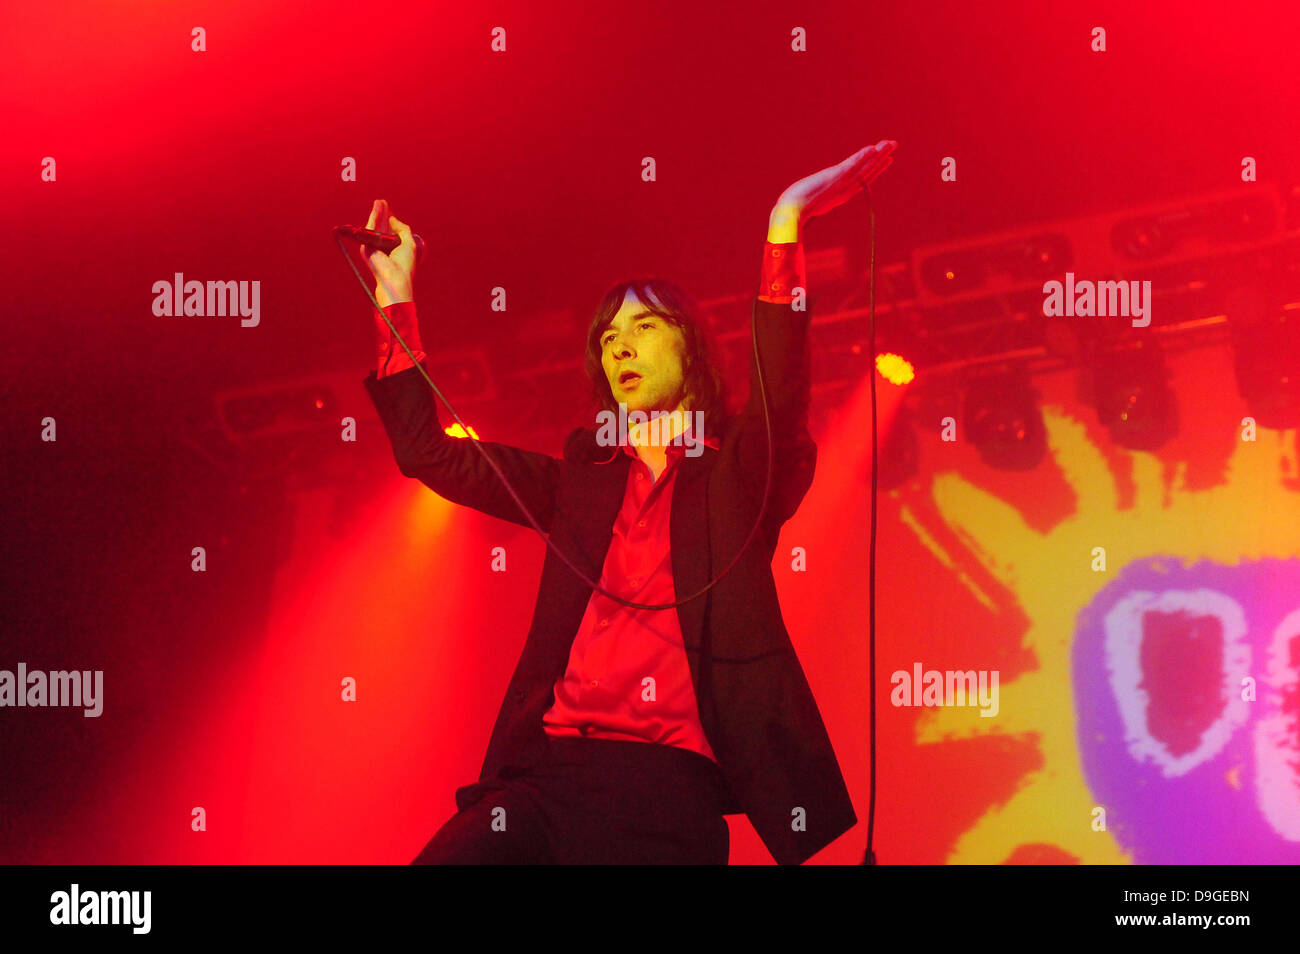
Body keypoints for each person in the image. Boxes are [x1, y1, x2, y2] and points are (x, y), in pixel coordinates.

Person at [359, 140, 896, 864]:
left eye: (644, 328)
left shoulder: (736, 474)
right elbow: (429, 453)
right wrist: (395, 295)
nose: (621, 347)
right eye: (609, 337)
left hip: (666, 792)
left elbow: (782, 393)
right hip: (544, 779)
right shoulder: (579, 480)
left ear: (691, 348)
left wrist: (784, 223)